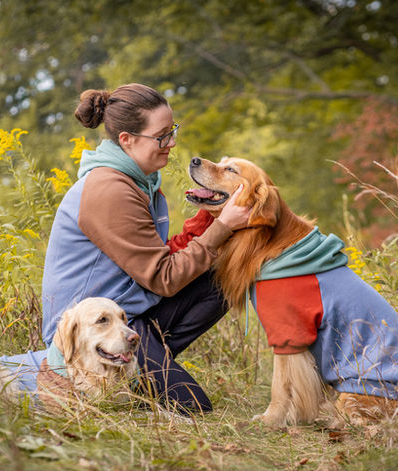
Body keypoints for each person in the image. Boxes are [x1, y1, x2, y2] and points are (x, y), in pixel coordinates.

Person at [41, 83, 250, 414]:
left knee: (221, 280)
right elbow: (163, 278)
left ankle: (144, 365)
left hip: (131, 312)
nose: (172, 143)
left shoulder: (139, 181)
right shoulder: (110, 189)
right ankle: (133, 372)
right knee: (192, 406)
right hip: (89, 330)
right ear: (127, 140)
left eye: (172, 131)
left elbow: (156, 258)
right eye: (162, 136)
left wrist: (213, 218)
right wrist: (223, 227)